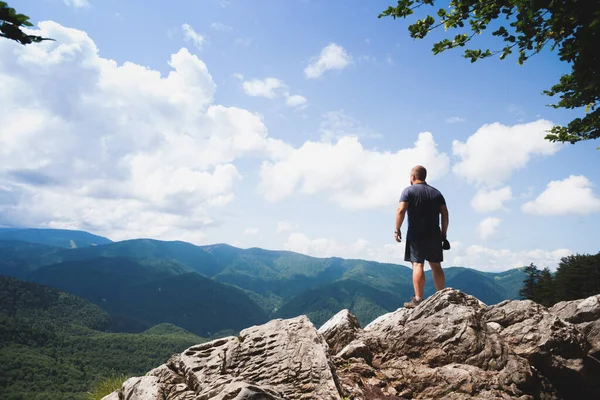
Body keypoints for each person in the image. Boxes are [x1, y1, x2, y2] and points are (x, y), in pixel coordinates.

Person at [394, 165, 449, 308]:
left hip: (416, 234)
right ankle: (442, 296)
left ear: (412, 177)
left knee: (418, 264)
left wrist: (397, 229)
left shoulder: (408, 191)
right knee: (436, 265)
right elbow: (445, 214)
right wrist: (443, 233)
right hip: (434, 234)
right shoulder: (437, 193)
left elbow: (401, 210)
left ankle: (418, 299)